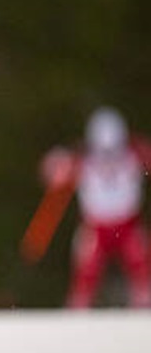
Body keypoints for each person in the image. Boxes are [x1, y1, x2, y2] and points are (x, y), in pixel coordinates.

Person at [31, 107, 151, 308]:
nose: (109, 157)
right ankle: (79, 309)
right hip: (96, 228)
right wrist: (57, 163)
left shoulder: (135, 153)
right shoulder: (83, 159)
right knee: (86, 271)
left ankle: (144, 303)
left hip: (128, 225)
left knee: (141, 263)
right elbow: (50, 172)